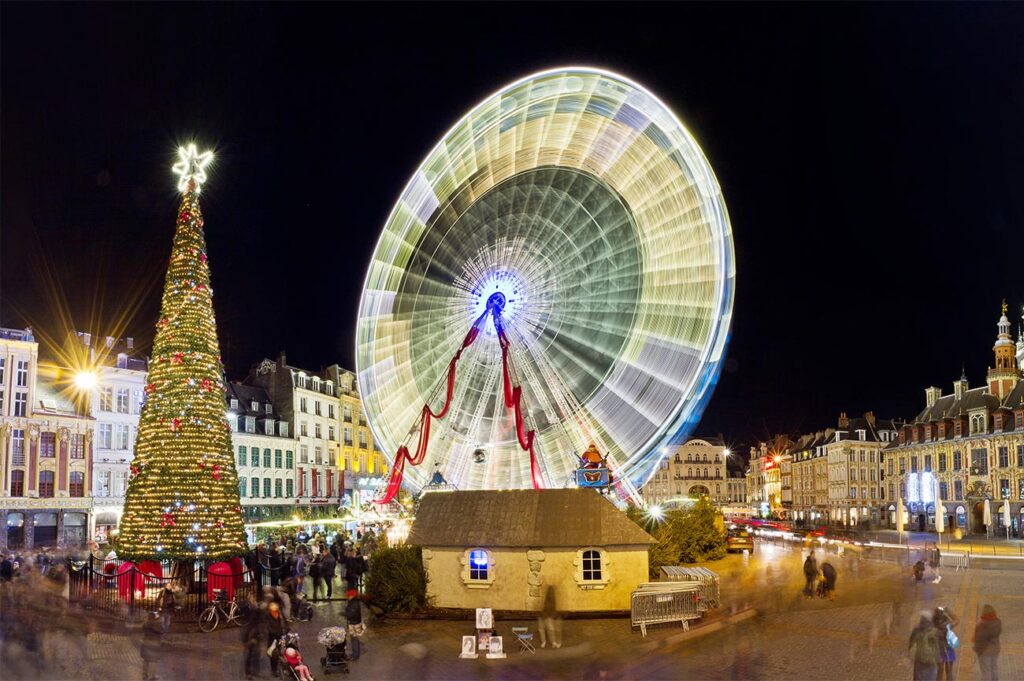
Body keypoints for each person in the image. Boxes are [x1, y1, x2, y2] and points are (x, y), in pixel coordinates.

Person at [973, 604, 1001, 681]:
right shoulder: (997, 622)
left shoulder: (981, 624)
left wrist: (977, 650)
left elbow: (978, 639)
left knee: (986, 671)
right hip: (995, 649)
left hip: (984, 651)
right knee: (994, 668)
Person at [909, 613, 940, 681]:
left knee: (918, 677)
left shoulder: (916, 630)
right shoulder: (935, 631)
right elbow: (938, 647)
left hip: (920, 659)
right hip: (931, 661)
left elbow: (911, 645)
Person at [933, 606, 960, 681]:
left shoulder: (933, 626)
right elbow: (957, 620)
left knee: (939, 671)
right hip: (948, 649)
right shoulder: (947, 625)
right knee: (949, 671)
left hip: (938, 650)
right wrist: (949, 612)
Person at [240, 593, 262, 681]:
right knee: (249, 654)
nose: (252, 599)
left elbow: (260, 620)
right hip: (249, 634)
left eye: (253, 597)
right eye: (250, 598)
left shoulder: (257, 608)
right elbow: (243, 610)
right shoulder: (247, 608)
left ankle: (255, 671)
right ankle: (248, 672)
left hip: (256, 633)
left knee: (256, 653)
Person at [263, 602, 288, 676]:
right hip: (273, 639)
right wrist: (276, 635)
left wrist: (286, 631)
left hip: (281, 636)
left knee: (285, 651)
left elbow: (285, 624)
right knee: (274, 654)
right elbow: (268, 629)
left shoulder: (280, 615)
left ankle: (285, 667)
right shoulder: (267, 617)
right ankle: (274, 670)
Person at [140, 611, 163, 681]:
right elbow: (162, 630)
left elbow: (143, 628)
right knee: (153, 661)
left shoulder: (145, 623)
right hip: (154, 644)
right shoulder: (157, 624)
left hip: (145, 643)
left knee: (146, 660)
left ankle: (144, 675)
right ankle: (152, 676)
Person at [345, 589, 365, 661]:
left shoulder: (354, 603)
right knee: (354, 639)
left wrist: (345, 614)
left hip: (355, 624)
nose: (347, 597)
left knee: (354, 639)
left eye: (349, 595)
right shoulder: (353, 602)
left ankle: (355, 655)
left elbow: (351, 614)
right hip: (354, 622)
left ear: (352, 595)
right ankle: (354, 654)